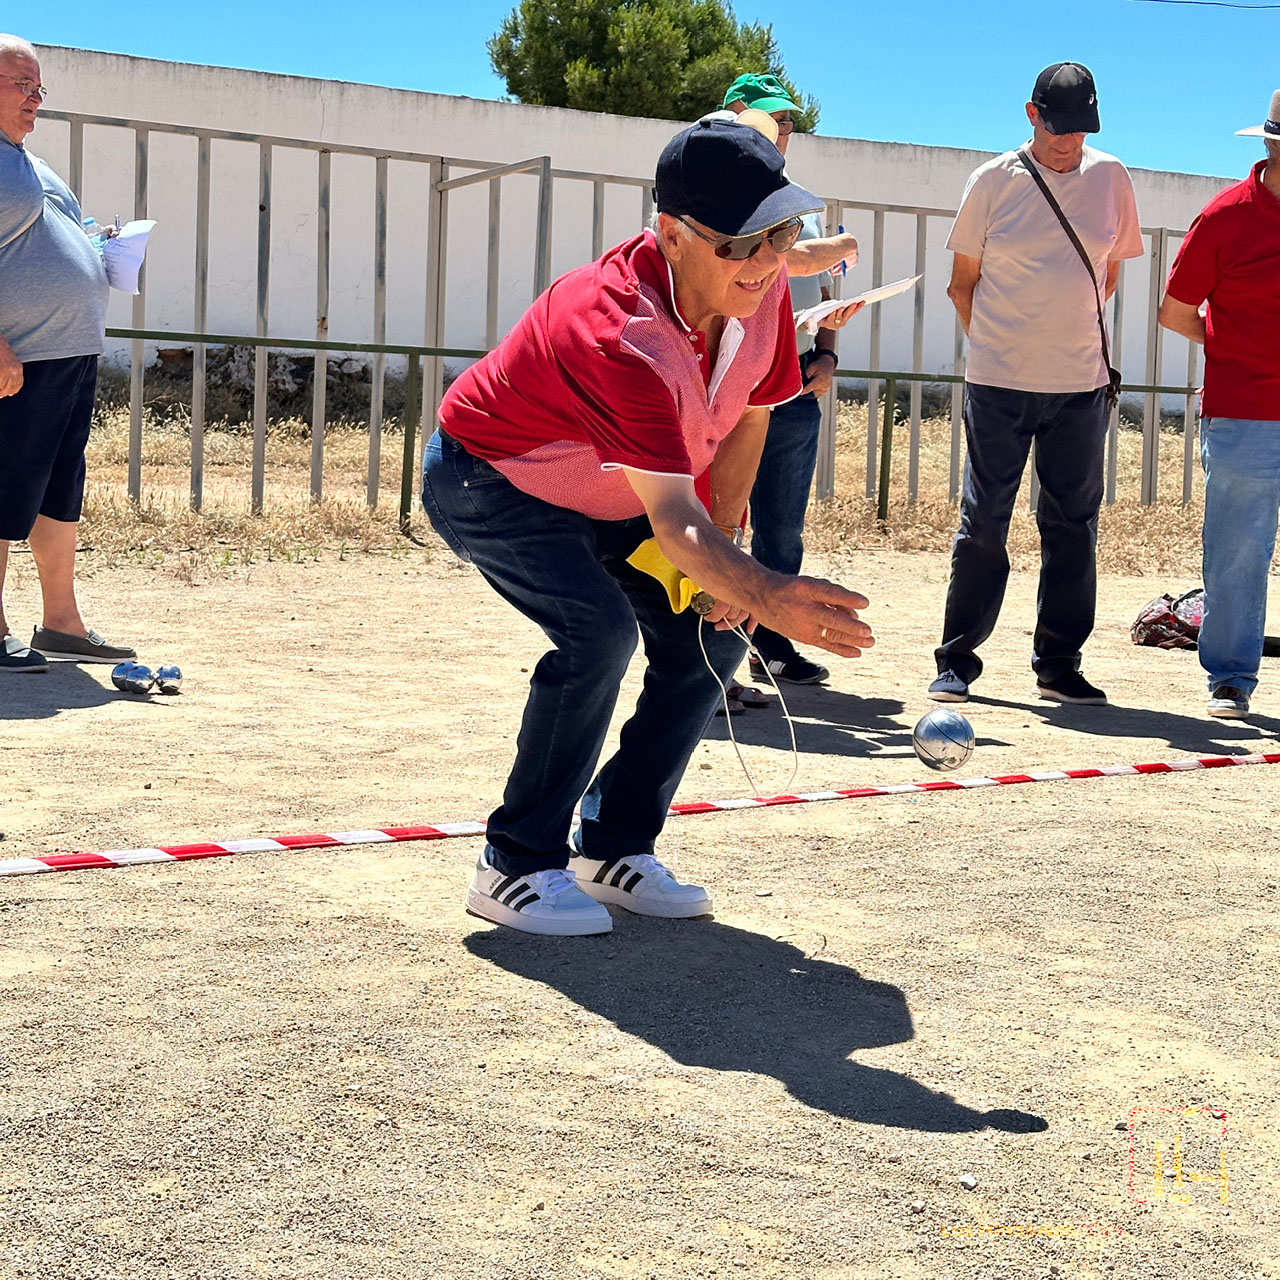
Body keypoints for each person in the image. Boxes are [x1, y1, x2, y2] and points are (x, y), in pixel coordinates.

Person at [423, 119, 874, 937]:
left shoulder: (761, 290)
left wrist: (733, 560)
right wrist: (766, 590)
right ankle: (513, 863)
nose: (766, 259)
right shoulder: (616, 329)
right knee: (596, 633)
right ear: (672, 234)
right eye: (740, 242)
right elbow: (671, 517)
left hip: (617, 492)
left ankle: (614, 844)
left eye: (781, 234)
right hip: (494, 477)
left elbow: (750, 416)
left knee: (715, 634)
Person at [927, 63, 1143, 706]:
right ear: (1031, 114)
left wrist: (1063, 341)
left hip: (1082, 384)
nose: (1069, 142)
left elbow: (1107, 276)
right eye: (1057, 128)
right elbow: (961, 285)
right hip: (998, 383)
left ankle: (1059, 664)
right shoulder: (993, 181)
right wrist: (1003, 349)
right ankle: (956, 660)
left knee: (1073, 525)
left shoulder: (1112, 177)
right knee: (984, 522)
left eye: (1081, 131)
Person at [0, 33, 136, 673]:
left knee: (57, 489)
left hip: (69, 351)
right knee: (5, 488)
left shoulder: (30, 161)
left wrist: (96, 246)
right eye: (21, 84)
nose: (35, 98)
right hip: (18, 358)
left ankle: (61, 624)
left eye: (39, 87)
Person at [722, 73, 862, 689]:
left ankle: (770, 647)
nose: (782, 132)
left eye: (786, 123)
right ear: (735, 115)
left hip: (795, 386)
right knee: (719, 523)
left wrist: (826, 356)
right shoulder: (714, 195)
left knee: (781, 528)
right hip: (729, 388)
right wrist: (837, 246)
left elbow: (827, 292)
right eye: (770, 120)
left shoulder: (798, 205)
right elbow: (794, 263)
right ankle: (710, 659)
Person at [1157, 90, 1280, 720]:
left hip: (1247, 411)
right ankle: (1231, 679)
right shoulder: (1225, 216)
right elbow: (1175, 310)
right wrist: (1232, 346)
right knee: (1237, 551)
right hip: (1244, 413)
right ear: (1273, 147)